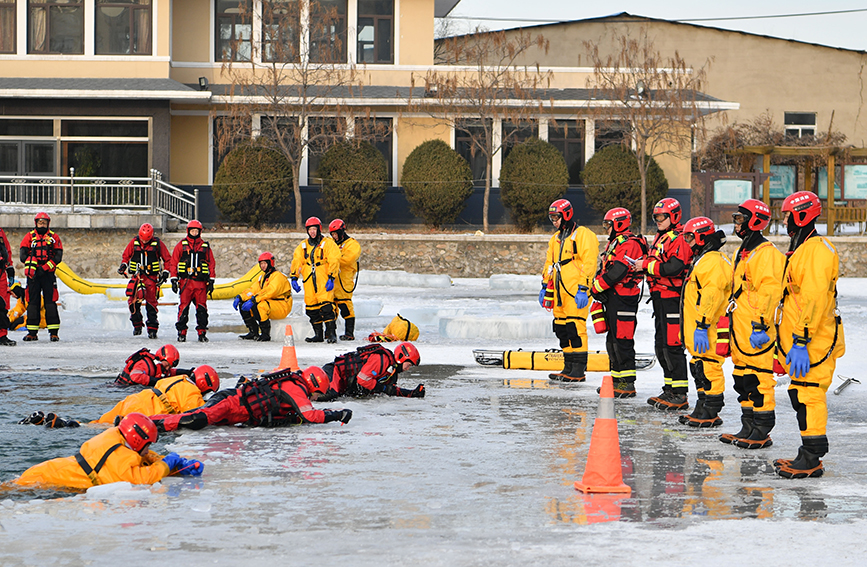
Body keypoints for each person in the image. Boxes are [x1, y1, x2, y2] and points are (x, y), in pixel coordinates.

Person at [774, 191, 845, 479]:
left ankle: (813, 457)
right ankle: (807, 452)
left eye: (788, 215)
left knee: (810, 395)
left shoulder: (816, 250)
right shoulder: (802, 248)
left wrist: (801, 339)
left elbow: (814, 299)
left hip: (814, 340)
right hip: (803, 340)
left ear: (801, 214)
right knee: (799, 394)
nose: (785, 221)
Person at [718, 199, 784, 449]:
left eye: (740, 219)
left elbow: (769, 292)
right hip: (740, 328)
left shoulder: (766, 254)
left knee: (759, 379)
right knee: (742, 379)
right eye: (735, 218)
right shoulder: (743, 251)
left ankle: (762, 428)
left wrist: (761, 324)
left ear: (755, 220)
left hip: (757, 329)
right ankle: (748, 425)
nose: (736, 224)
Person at [10, 413, 202, 490]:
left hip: (49, 469)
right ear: (136, 440)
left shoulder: (116, 438)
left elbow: (139, 456)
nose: (149, 450)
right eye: (148, 444)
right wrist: (165, 464)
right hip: (45, 478)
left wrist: (176, 463)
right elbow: (142, 478)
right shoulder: (119, 453)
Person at [151, 366, 353, 432]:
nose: (315, 398)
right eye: (317, 393)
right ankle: (148, 423)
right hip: (230, 402)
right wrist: (337, 414)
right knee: (195, 419)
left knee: (195, 419)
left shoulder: (294, 385)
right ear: (313, 384)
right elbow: (310, 415)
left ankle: (151, 423)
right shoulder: (295, 387)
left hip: (235, 413)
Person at [677, 217, 732, 428]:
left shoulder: (713, 262)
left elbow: (711, 295)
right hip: (700, 329)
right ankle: (702, 406)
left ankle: (711, 409)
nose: (688, 242)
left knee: (709, 367)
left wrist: (702, 324)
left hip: (709, 328)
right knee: (699, 367)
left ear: (702, 237)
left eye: (690, 237)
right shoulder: (703, 260)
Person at [642, 198, 694, 410]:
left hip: (672, 298)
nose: (658, 221)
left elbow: (674, 267)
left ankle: (680, 394)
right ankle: (670, 388)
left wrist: (645, 265)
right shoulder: (662, 237)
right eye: (656, 217)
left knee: (673, 345)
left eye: (661, 217)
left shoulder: (679, 238)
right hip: (660, 298)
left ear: (673, 216)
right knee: (661, 345)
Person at [590, 207, 647, 397]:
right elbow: (607, 268)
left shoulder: (629, 243)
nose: (606, 228)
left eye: (608, 224)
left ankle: (627, 384)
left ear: (619, 223)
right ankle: (617, 380)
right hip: (614, 296)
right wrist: (599, 286)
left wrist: (598, 287)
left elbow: (618, 271)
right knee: (613, 341)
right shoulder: (615, 243)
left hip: (624, 297)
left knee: (623, 340)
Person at [541, 199, 599, 382]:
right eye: (551, 218)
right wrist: (544, 285)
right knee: (561, 328)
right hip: (559, 293)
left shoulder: (583, 235)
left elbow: (590, 263)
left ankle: (578, 369)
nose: (554, 222)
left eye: (556, 217)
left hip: (575, 291)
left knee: (575, 328)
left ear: (566, 215)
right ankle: (568, 366)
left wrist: (584, 288)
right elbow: (549, 263)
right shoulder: (555, 239)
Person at [95, 366, 220, 424]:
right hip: (148, 410)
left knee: (100, 424)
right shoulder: (192, 392)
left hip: (135, 399)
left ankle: (79, 425)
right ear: (204, 384)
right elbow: (200, 414)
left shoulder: (178, 379)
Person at [290, 217, 341, 343]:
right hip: (309, 280)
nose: (312, 232)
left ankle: (331, 333)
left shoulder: (328, 244)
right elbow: (297, 261)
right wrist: (294, 277)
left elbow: (334, 260)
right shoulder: (303, 246)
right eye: (310, 229)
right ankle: (318, 334)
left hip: (323, 278)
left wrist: (331, 277)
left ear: (319, 229)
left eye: (314, 229)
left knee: (327, 307)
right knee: (311, 308)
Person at [118, 223, 172, 339]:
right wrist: (123, 266)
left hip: (151, 278)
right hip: (137, 277)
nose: (144, 241)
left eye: (146, 240)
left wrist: (166, 272)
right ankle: (137, 325)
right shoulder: (134, 242)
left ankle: (152, 329)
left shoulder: (157, 244)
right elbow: (126, 256)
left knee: (151, 304)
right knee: (133, 302)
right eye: (142, 239)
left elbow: (167, 259)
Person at [319, 342, 425, 400]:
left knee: (334, 396)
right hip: (334, 371)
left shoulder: (391, 373)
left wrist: (411, 393)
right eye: (409, 364)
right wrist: (382, 388)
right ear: (401, 357)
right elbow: (362, 379)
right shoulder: (381, 359)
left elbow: (390, 390)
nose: (408, 368)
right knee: (329, 395)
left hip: (342, 382)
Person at [19, 212, 63, 341]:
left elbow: (58, 256)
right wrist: (34, 267)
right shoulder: (29, 237)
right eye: (40, 222)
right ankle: (32, 332)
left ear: (48, 224)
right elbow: (22, 255)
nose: (42, 224)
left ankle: (54, 332)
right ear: (36, 223)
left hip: (48, 274)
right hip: (33, 275)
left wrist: (44, 268)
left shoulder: (54, 237)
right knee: (33, 302)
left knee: (50, 302)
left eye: (44, 222)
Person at [171, 220, 216, 343]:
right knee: (183, 309)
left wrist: (211, 280)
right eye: (192, 231)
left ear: (200, 232)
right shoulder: (181, 245)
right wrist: (174, 279)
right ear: (188, 231)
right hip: (186, 283)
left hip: (200, 284)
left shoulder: (205, 247)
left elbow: (211, 263)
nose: (194, 233)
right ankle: (182, 332)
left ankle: (202, 332)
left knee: (202, 309)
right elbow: (174, 262)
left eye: (197, 231)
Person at [234, 252, 292, 342]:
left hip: (282, 305)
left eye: (265, 263)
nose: (263, 266)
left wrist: (254, 300)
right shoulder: (262, 277)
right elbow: (253, 290)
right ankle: (253, 332)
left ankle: (265, 334)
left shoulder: (278, 276)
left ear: (270, 263)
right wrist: (241, 297)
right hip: (271, 302)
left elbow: (270, 291)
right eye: (261, 264)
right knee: (244, 305)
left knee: (261, 305)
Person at [329, 219, 361, 341]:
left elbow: (347, 260)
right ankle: (330, 332)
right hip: (332, 280)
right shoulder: (332, 244)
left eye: (336, 233)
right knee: (330, 308)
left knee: (345, 306)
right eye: (332, 234)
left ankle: (349, 333)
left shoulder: (352, 245)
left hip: (344, 281)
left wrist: (333, 259)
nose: (334, 236)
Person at [115, 344, 183, 387]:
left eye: (170, 367)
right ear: (162, 358)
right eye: (167, 365)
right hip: (121, 388)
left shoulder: (157, 365)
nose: (168, 368)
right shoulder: (145, 364)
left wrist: (188, 372)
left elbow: (171, 372)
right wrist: (156, 381)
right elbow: (135, 377)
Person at [0, 225, 15, 346]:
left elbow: (7, 250)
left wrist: (10, 268)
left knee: (3, 304)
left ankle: (2, 335)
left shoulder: (0, 232)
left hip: (1, 273)